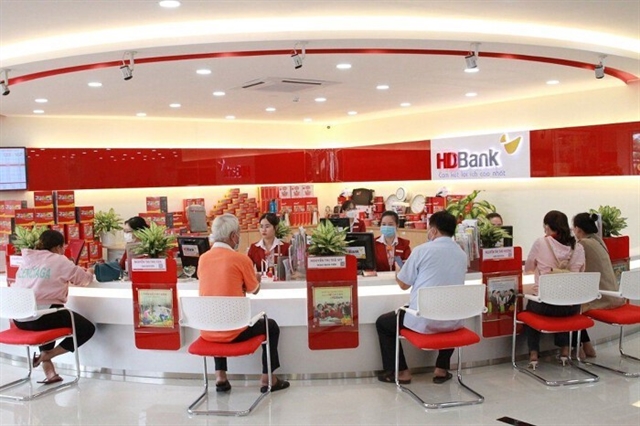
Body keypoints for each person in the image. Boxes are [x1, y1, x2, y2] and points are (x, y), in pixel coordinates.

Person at [197, 214, 290, 393]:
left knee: (217, 316)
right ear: (233, 236)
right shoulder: (240, 259)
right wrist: (255, 279)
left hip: (208, 331)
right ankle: (268, 378)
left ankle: (220, 376)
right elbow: (254, 289)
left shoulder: (203, 259)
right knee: (271, 326)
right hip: (234, 332)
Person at [375, 210, 467, 385]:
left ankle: (401, 372)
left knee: (383, 323)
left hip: (424, 318)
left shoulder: (422, 250)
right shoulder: (462, 254)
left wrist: (398, 271)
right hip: (454, 321)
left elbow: (403, 284)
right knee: (449, 311)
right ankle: (441, 369)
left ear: (434, 230)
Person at [12, 230, 95, 384]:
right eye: (63, 247)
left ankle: (50, 373)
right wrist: (90, 272)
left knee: (46, 316)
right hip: (40, 318)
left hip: (20, 319)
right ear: (57, 247)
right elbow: (83, 280)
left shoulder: (27, 259)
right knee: (86, 328)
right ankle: (49, 355)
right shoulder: (59, 260)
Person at [523, 210, 585, 369]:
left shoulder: (541, 243)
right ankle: (564, 351)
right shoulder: (578, 247)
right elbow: (582, 272)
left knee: (531, 308)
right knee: (563, 301)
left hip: (545, 306)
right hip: (571, 308)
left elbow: (528, 268)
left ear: (547, 227)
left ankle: (533, 353)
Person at [572, 212, 625, 358]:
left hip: (601, 298)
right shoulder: (599, 241)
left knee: (570, 306)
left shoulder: (583, 244)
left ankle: (577, 348)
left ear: (578, 229)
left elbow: (573, 267)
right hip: (613, 295)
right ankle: (587, 346)